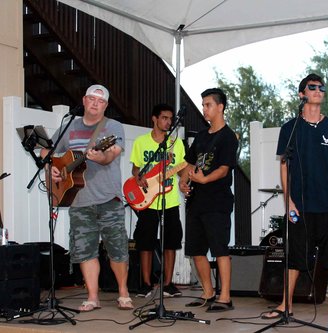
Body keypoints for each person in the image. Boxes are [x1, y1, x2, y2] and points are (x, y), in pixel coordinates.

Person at [262, 73, 328, 319]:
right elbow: (284, 165)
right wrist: (288, 201)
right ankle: (285, 305)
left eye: (322, 87)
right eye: (312, 87)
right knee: (295, 257)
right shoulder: (290, 129)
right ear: (302, 94)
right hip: (300, 206)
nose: (318, 90)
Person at [42, 85, 133, 311]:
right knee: (85, 250)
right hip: (78, 199)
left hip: (108, 197)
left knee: (117, 248)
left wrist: (100, 155)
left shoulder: (113, 127)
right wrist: (53, 166)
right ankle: (93, 296)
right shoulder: (68, 126)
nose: (95, 103)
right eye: (91, 99)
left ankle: (123, 292)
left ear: (106, 105)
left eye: (100, 101)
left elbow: (110, 155)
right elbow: (47, 151)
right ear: (83, 100)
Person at [179, 88, 238, 312]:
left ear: (220, 107)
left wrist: (205, 180)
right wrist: (183, 182)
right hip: (196, 202)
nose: (204, 109)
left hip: (217, 201)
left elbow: (224, 170)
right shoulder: (202, 136)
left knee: (220, 249)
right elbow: (190, 164)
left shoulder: (228, 137)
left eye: (208, 105)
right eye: (203, 105)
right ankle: (208, 292)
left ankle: (225, 297)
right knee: (196, 249)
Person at [130, 103, 185, 298]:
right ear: (154, 118)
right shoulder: (141, 142)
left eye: (171, 119)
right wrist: (139, 177)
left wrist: (183, 182)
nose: (168, 122)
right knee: (145, 242)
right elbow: (135, 169)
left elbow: (183, 167)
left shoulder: (176, 143)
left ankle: (168, 284)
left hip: (169, 200)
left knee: (171, 242)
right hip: (147, 199)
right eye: (164, 118)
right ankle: (145, 284)